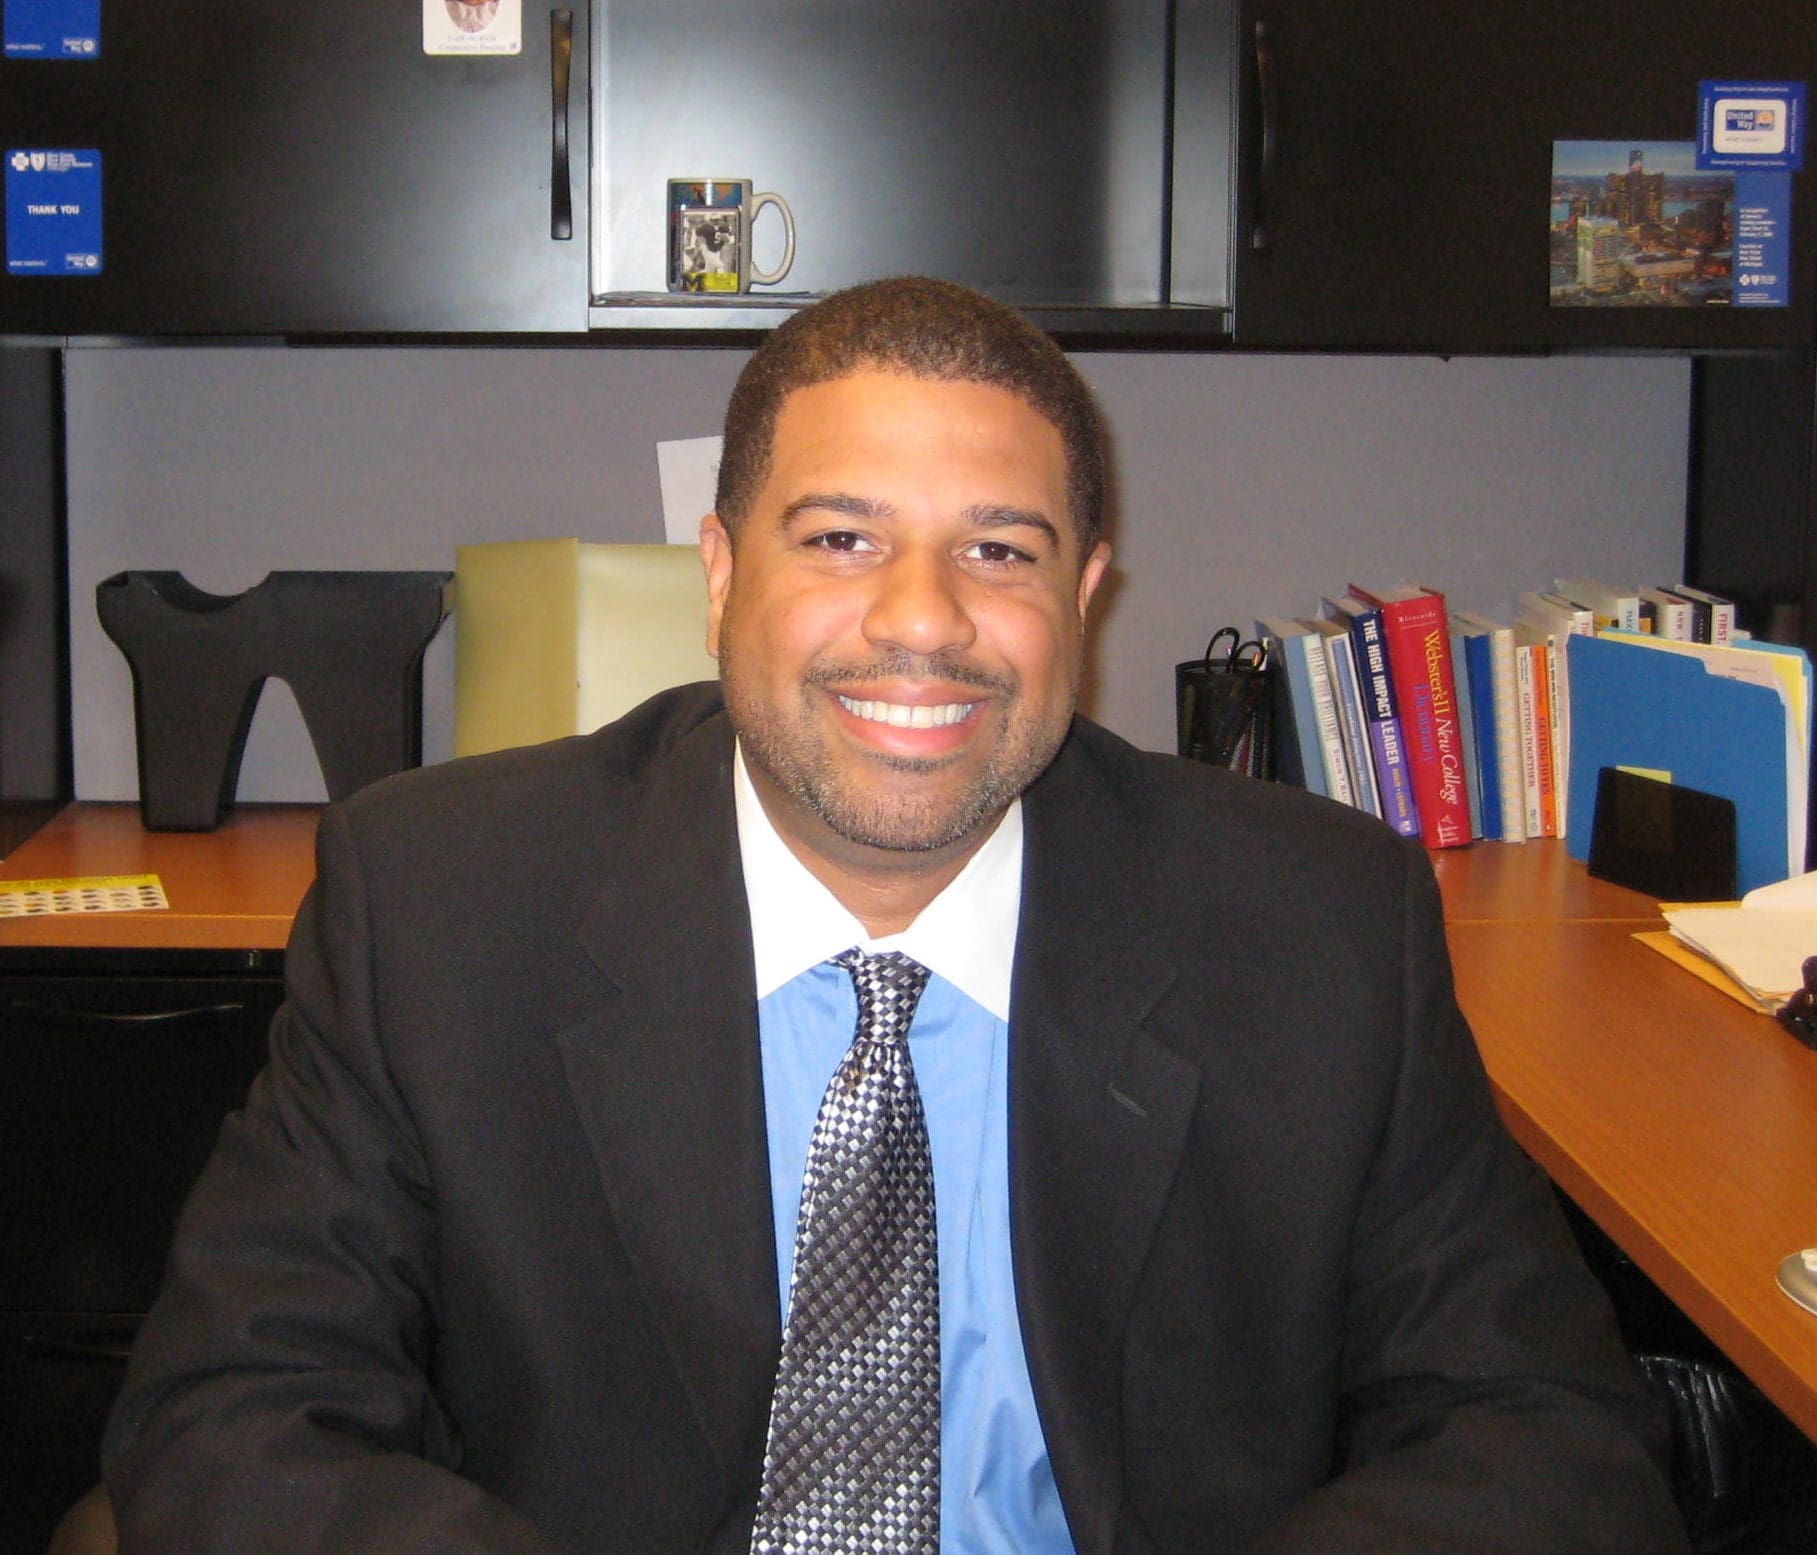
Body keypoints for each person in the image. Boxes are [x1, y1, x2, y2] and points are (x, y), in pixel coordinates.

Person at [102, 277, 1687, 1554]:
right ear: (719, 576)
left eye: (998, 551)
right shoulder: (444, 904)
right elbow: (237, 1411)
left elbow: (1537, 1437)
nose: (921, 622)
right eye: (842, 539)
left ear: (1082, 599)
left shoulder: (1313, 925)